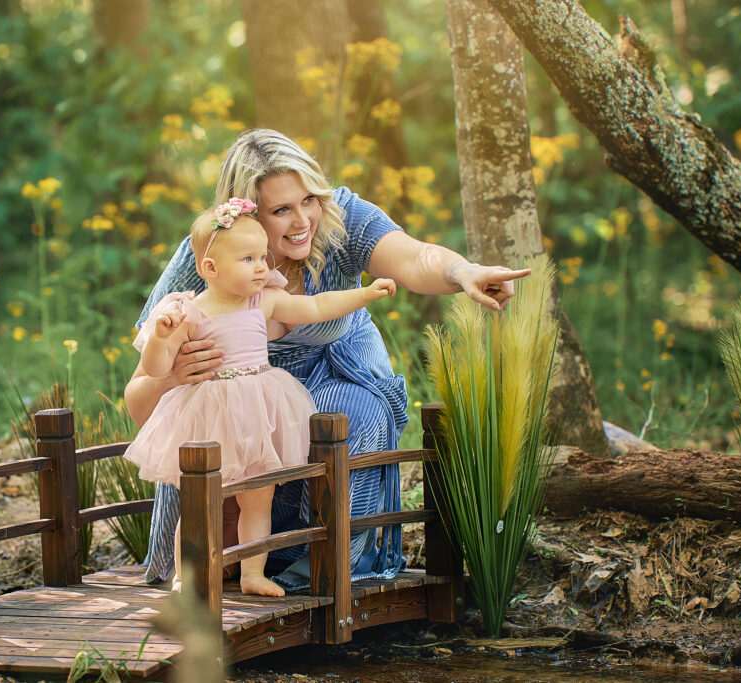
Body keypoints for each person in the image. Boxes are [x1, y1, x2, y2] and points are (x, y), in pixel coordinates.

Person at [125, 128, 529, 590]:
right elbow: (138, 403)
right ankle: (230, 561)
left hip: (332, 378)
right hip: (237, 415)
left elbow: (415, 258)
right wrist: (173, 376)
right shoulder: (207, 255)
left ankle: (322, 564)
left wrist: (463, 272)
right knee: (231, 473)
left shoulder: (341, 219)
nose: (302, 221)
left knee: (346, 415)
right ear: (247, 217)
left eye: (309, 200)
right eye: (281, 210)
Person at [124, 198, 396, 596]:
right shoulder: (187, 312)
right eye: (248, 259)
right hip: (210, 413)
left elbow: (316, 306)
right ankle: (188, 575)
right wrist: (162, 338)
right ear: (210, 268)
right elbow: (156, 368)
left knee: (258, 498)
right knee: (202, 503)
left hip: (259, 410)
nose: (261, 267)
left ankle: (253, 572)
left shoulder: (262, 299)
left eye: (261, 258)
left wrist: (365, 295)